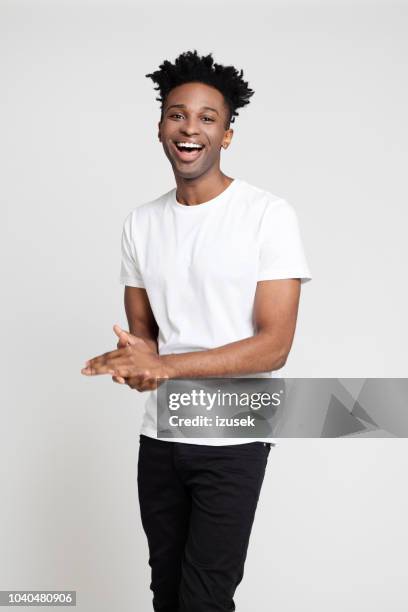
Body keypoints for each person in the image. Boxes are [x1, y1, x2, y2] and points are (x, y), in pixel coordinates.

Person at [81, 49, 312, 612]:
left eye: (208, 118)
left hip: (233, 436)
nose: (190, 128)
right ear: (160, 126)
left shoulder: (267, 215)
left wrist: (164, 366)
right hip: (160, 439)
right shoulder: (141, 222)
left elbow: (274, 346)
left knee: (205, 600)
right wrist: (132, 364)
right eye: (177, 114)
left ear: (227, 135)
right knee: (167, 594)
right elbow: (146, 341)